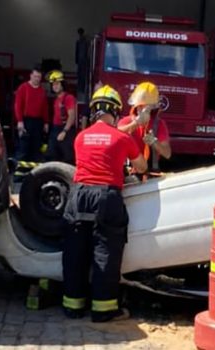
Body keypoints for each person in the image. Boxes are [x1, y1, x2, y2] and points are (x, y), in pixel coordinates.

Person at [62, 85, 147, 322]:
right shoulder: (122, 138)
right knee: (105, 251)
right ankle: (104, 309)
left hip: (79, 196)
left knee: (76, 251)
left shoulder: (80, 138)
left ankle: (73, 305)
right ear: (116, 112)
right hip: (106, 197)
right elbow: (142, 167)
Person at [118, 82, 171, 171]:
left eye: (146, 107)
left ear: (153, 109)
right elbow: (114, 135)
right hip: (129, 170)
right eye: (140, 107)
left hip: (151, 172)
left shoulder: (159, 124)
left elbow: (167, 154)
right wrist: (136, 123)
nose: (142, 110)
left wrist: (154, 142)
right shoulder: (126, 121)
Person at [14, 65, 49, 162]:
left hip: (38, 122)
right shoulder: (23, 88)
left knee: (36, 147)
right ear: (30, 76)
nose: (36, 79)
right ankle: (18, 174)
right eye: (35, 76)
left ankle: (34, 173)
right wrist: (20, 121)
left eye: (39, 77)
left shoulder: (42, 91)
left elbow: (45, 108)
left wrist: (46, 122)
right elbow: (18, 105)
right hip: (26, 121)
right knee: (23, 147)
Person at [46, 70, 77, 164]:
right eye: (53, 84)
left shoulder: (68, 98)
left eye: (57, 84)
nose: (55, 86)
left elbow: (72, 116)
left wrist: (64, 131)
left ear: (62, 84)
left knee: (67, 157)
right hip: (55, 129)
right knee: (52, 155)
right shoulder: (57, 99)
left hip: (65, 130)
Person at [75, 27, 88, 95]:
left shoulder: (82, 41)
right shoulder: (81, 41)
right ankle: (80, 89)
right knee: (81, 76)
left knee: (81, 76)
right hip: (82, 61)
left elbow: (81, 53)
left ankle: (81, 89)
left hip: (82, 62)